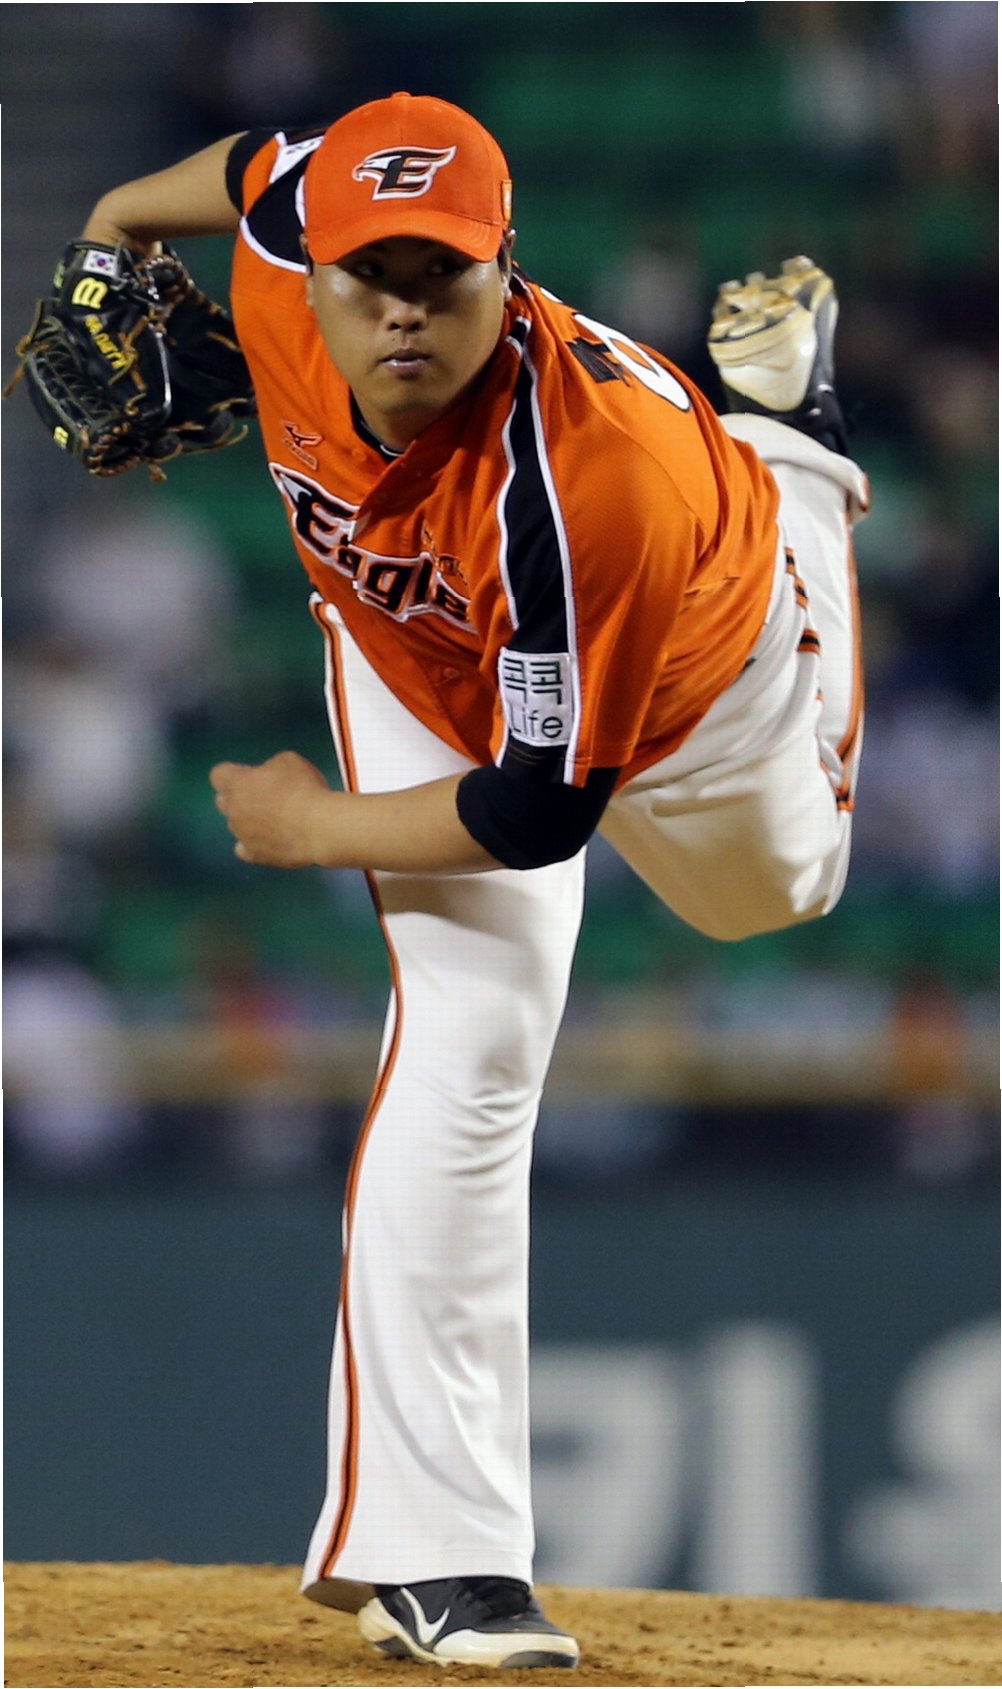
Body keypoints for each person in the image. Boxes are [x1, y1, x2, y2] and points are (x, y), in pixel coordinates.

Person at [78, 91, 868, 1670]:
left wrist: (312, 827)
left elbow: (531, 810)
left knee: (774, 894)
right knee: (470, 1039)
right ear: (308, 267)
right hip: (412, 644)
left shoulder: (586, 483)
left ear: (506, 272)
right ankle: (444, 1559)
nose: (401, 311)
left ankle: (790, 452)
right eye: (367, 273)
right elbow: (244, 171)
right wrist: (107, 231)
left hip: (698, 687)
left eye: (438, 275)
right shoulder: (276, 236)